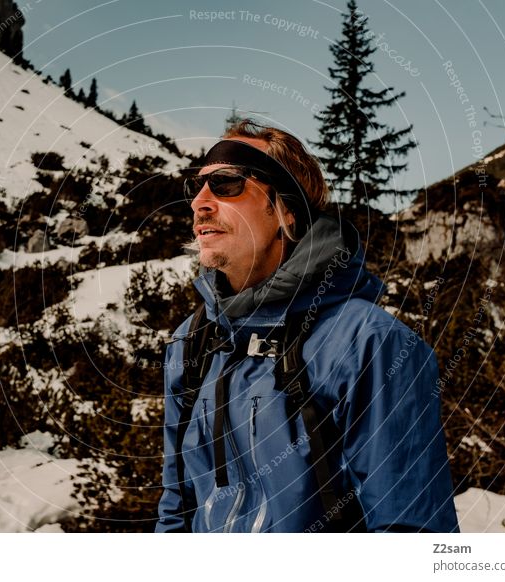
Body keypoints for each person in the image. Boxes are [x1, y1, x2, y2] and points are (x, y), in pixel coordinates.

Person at [155, 119, 459, 533]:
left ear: (286, 211)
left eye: (226, 184)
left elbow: (408, 529)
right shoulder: (192, 343)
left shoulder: (364, 343)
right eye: (197, 187)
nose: (199, 204)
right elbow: (177, 509)